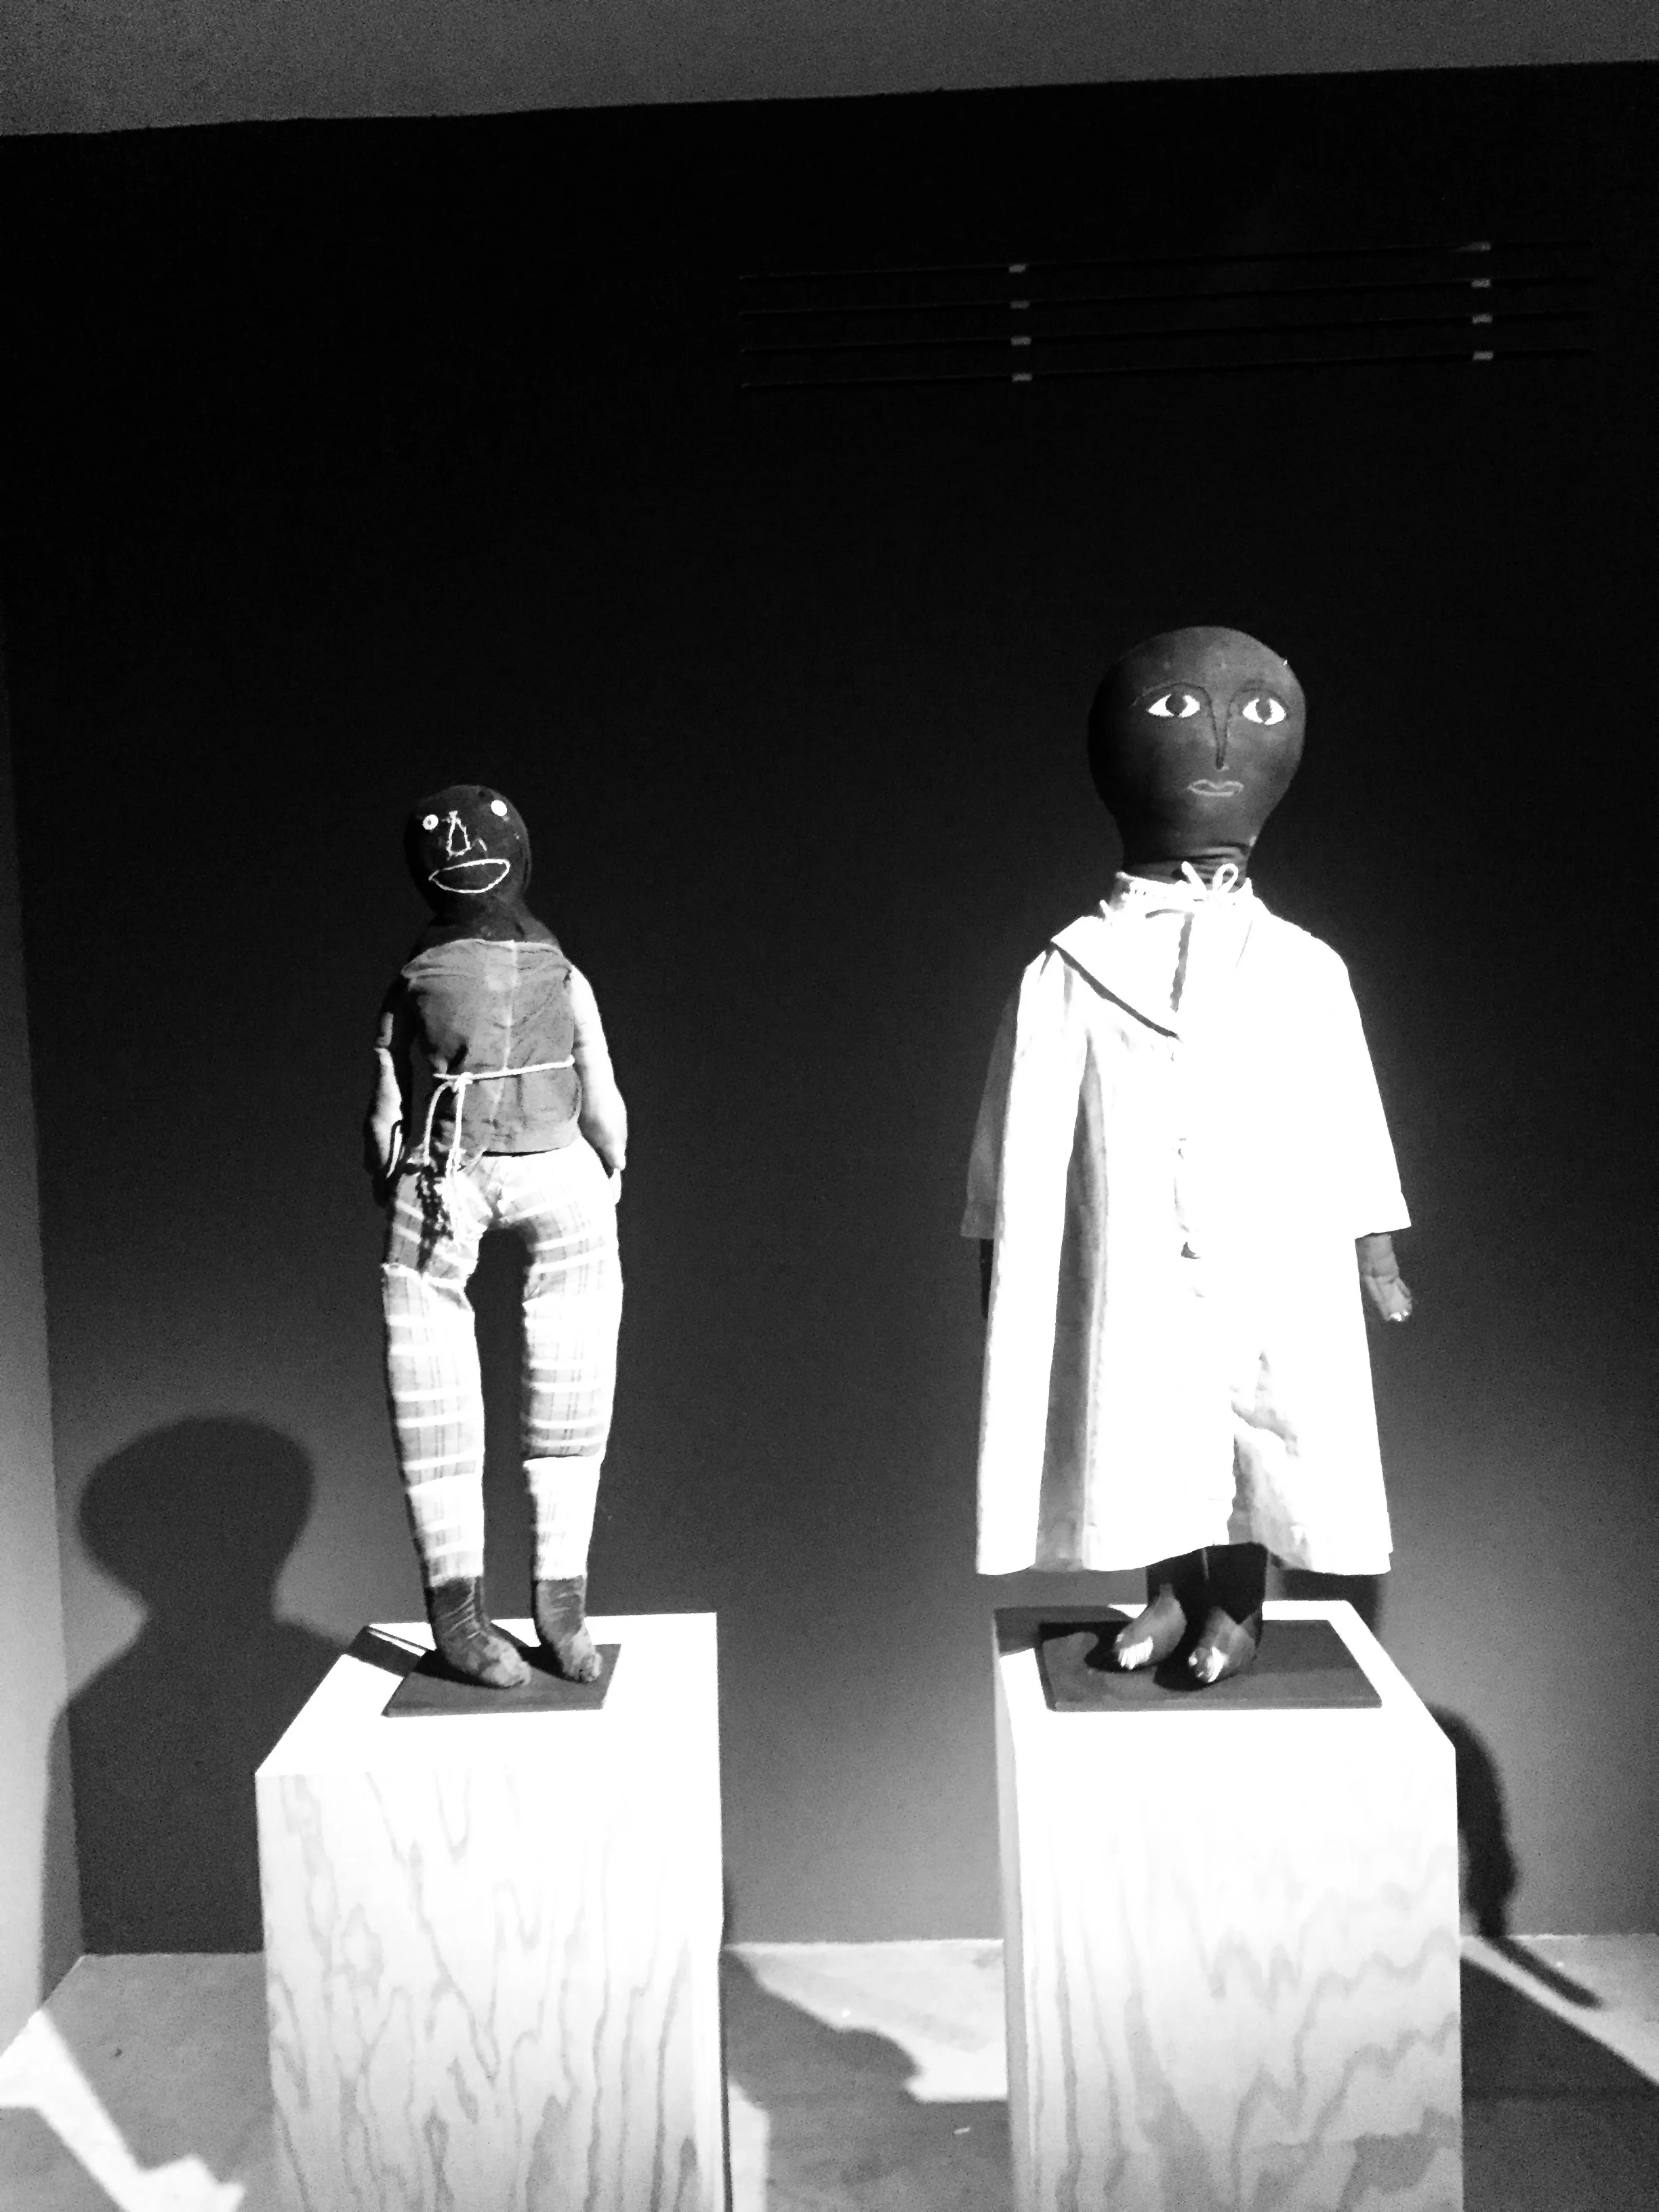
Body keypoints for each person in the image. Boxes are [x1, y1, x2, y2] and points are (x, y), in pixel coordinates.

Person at [964, 628, 1411, 1685]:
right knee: (1139, 1401)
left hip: (1266, 1244)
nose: (1214, 741)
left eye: (1250, 716)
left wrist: (1375, 1241)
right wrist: (1002, 1248)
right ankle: (1168, 1595)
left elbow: (1350, 1110)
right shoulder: (1069, 969)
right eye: (1178, 713)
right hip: (1127, 1239)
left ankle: (1238, 1606)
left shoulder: (1301, 968)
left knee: (1257, 1405)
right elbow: (1015, 1127)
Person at [365, 784, 626, 1686]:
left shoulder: (540, 968)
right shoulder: (500, 970)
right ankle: (461, 1614)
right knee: (435, 1377)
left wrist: (387, 1155)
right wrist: (614, 1151)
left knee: (566, 1374)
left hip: (497, 1168)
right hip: (459, 1171)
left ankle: (560, 1603)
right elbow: (598, 1075)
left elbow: (388, 1083)